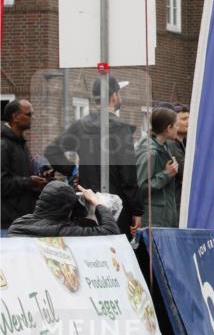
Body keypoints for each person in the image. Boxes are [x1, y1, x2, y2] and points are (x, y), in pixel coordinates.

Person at [45, 76, 143, 239]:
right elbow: (128, 176)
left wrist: (74, 171)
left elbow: (52, 151)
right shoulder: (121, 130)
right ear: (113, 96)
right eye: (119, 93)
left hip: (87, 204)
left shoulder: (80, 126)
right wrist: (137, 210)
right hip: (116, 207)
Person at [8, 181, 121, 237]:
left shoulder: (18, 224)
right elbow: (111, 232)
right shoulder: (64, 231)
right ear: (67, 210)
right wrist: (96, 202)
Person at [1, 99, 49, 228]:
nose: (32, 118)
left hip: (22, 220)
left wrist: (42, 179)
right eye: (29, 114)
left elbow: (21, 176)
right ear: (15, 117)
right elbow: (2, 184)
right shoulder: (3, 145)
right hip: (7, 223)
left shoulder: (20, 143)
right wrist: (29, 181)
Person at [136, 107, 179, 228]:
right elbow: (140, 187)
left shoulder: (164, 148)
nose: (178, 128)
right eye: (176, 125)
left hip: (162, 219)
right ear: (168, 128)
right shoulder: (150, 153)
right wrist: (166, 174)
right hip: (153, 221)